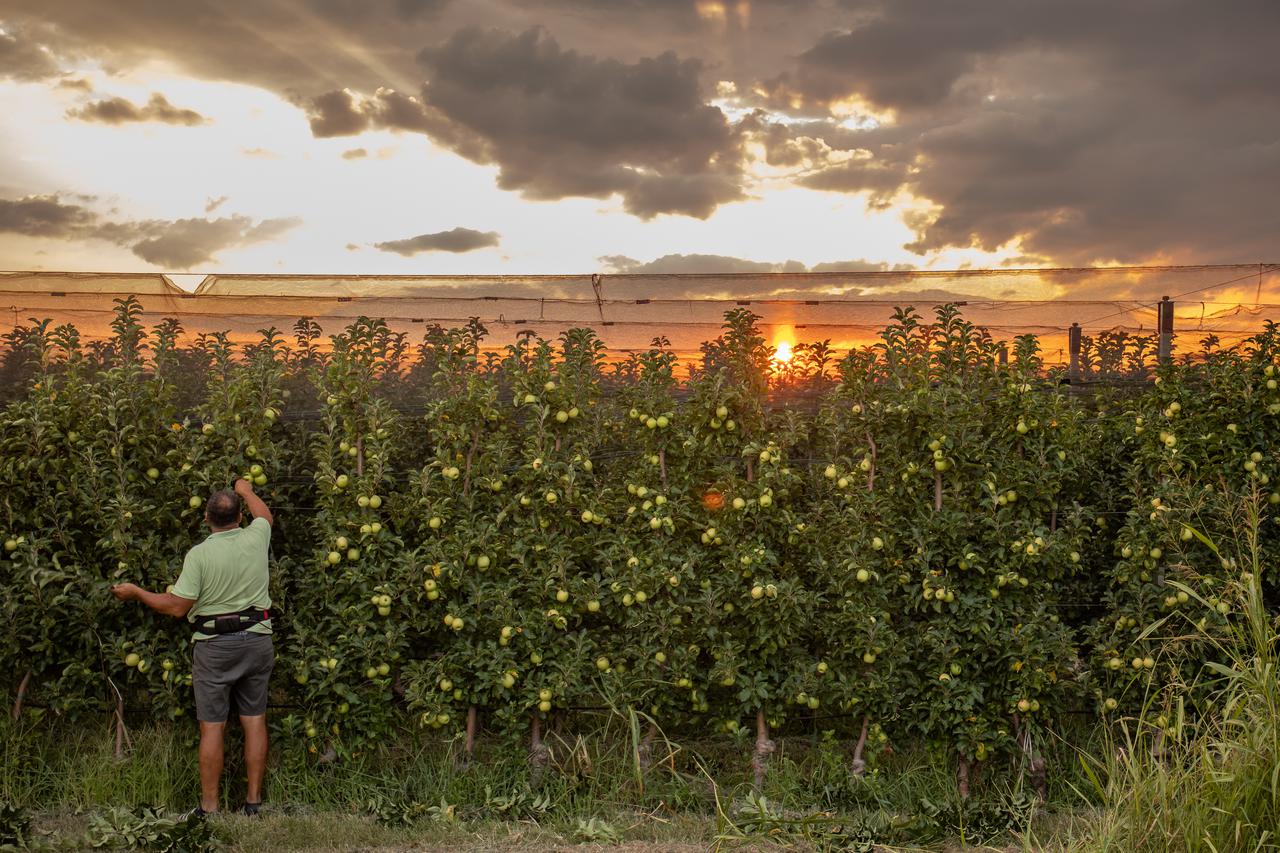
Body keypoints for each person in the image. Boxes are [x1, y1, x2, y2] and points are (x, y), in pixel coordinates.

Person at [111, 478, 274, 817]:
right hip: (257, 639)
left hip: (215, 647)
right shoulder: (257, 537)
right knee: (254, 720)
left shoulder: (199, 555)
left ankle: (210, 807)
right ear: (241, 517)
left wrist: (137, 592)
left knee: (212, 726)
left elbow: (176, 606)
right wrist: (245, 489)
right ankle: (253, 804)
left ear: (206, 519)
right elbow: (266, 515)